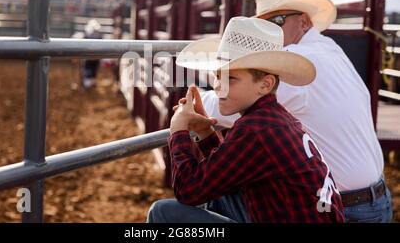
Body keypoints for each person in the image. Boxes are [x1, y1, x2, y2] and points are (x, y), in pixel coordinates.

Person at [200, 0, 393, 223]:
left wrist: (194, 100)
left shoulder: (297, 67)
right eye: (262, 25)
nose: (268, 31)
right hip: (374, 200)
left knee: (216, 192)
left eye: (276, 22)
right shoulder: (330, 49)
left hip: (341, 208)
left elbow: (222, 107)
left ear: (304, 22)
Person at [147, 17, 345, 223]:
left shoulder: (256, 129)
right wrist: (205, 133)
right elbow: (227, 169)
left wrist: (178, 132)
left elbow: (188, 191)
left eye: (230, 79)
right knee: (222, 192)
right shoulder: (275, 118)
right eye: (217, 77)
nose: (218, 87)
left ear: (265, 84)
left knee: (164, 213)